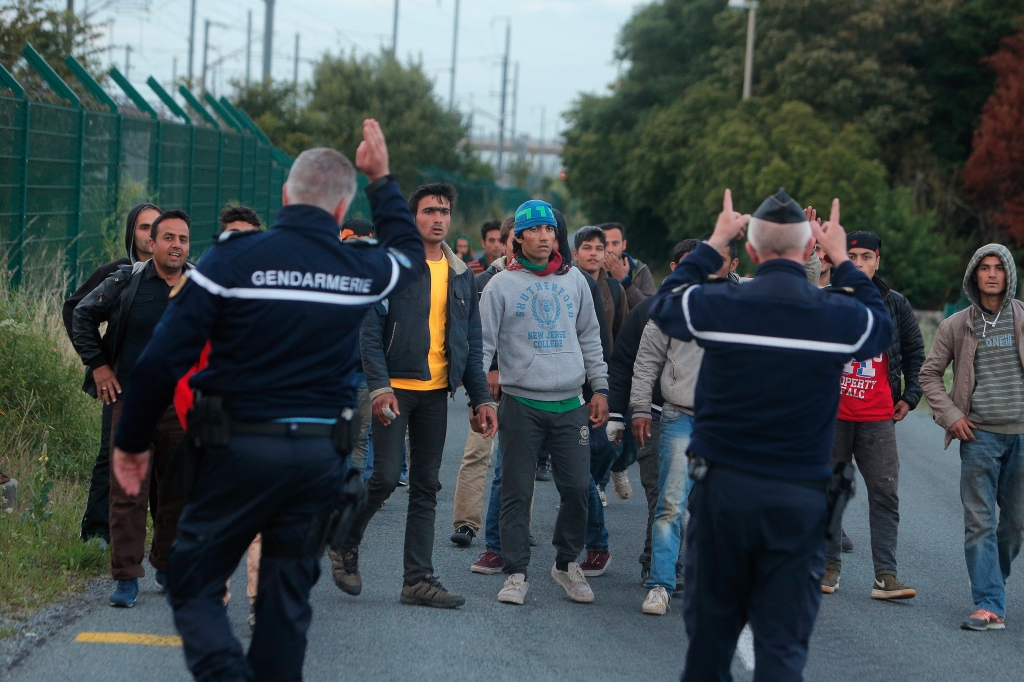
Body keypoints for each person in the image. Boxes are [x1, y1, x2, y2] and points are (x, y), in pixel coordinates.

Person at [109, 121, 427, 680]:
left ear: (284, 195)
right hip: (316, 464)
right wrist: (383, 179)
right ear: (341, 206)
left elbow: (162, 360)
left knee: (192, 576)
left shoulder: (229, 261)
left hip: (236, 451)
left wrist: (132, 443)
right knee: (285, 603)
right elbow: (410, 255)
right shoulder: (359, 268)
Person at [649, 188, 893, 680]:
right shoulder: (837, 316)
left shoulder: (721, 304)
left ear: (752, 252)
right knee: (781, 650)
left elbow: (665, 304)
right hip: (798, 499)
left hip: (723, 496)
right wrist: (843, 259)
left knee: (709, 648)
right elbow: (882, 326)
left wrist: (715, 241)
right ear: (810, 252)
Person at [331, 182, 497, 608]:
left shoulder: (462, 274)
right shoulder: (392, 266)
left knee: (425, 486)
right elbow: (369, 332)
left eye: (444, 211)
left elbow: (471, 343)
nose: (438, 218)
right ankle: (344, 541)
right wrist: (380, 386)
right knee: (385, 476)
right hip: (395, 389)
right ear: (412, 218)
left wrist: (482, 399)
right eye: (429, 211)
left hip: (436, 393)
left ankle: (417, 580)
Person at [479, 199, 609, 606]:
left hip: (570, 403)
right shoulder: (499, 285)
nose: (544, 237)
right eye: (534, 230)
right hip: (520, 403)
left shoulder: (575, 282)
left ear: (557, 236)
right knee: (516, 492)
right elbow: (482, 345)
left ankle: (566, 563)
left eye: (549, 230)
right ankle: (516, 572)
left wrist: (600, 388)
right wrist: (480, 396)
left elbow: (590, 337)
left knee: (576, 490)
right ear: (517, 237)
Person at [72, 209, 192, 608]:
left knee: (176, 493)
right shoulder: (127, 281)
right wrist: (101, 366)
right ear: (152, 244)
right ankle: (125, 576)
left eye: (184, 239)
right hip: (133, 404)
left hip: (181, 407)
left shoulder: (201, 286)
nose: (177, 245)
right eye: (169, 238)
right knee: (128, 494)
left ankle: (166, 564)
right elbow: (82, 314)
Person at [920, 243, 1024, 632]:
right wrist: (951, 416)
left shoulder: (1023, 317)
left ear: (1009, 274)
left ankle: (989, 576)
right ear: (974, 275)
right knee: (979, 522)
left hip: (1022, 435)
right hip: (979, 436)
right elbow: (929, 374)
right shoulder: (956, 324)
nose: (992, 274)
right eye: (985, 268)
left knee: (1014, 526)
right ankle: (988, 603)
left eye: (999, 267)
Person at [631, 237, 733, 616]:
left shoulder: (744, 301)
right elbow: (646, 361)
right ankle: (660, 583)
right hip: (679, 417)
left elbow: (795, 294)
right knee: (671, 505)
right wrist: (641, 407)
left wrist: (805, 250)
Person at [172, 206, 262, 630]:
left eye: (248, 236)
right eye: (231, 235)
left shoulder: (275, 292)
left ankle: (260, 601)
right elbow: (180, 358)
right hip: (211, 418)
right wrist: (193, 413)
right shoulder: (200, 287)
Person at [819, 230, 923, 600]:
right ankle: (828, 568)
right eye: (853, 256)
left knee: (884, 491)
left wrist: (910, 397)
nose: (860, 263)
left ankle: (886, 576)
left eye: (866, 257)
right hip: (833, 413)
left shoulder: (895, 304)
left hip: (878, 415)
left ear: (878, 260)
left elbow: (915, 354)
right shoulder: (830, 300)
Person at [63, 202, 160, 546]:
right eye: (143, 227)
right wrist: (99, 365)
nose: (151, 234)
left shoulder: (181, 276)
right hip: (122, 384)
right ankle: (96, 532)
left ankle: (165, 543)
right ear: (132, 233)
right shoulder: (120, 272)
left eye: (156, 226)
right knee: (112, 454)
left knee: (166, 461)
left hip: (167, 387)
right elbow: (76, 308)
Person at [607, 239, 701, 588]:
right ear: (675, 268)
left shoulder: (721, 309)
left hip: (706, 418)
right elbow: (626, 364)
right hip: (659, 416)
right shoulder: (651, 309)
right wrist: (620, 414)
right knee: (662, 495)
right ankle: (657, 565)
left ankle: (687, 564)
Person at [451, 217, 515, 547]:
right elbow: (473, 336)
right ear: (503, 243)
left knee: (519, 459)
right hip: (487, 384)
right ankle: (466, 522)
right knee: (478, 451)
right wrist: (487, 371)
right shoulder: (482, 281)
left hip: (525, 384)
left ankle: (520, 523)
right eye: (514, 238)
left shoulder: (545, 281)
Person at [338, 217, 377, 479]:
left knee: (360, 437)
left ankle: (350, 499)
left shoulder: (381, 279)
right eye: (352, 242)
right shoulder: (329, 276)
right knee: (333, 434)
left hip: (366, 370)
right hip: (334, 370)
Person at [599, 222, 656, 308]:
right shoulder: (591, 269)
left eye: (615, 243)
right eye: (606, 244)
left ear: (624, 245)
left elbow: (651, 308)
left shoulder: (639, 269)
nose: (610, 249)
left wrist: (624, 280)